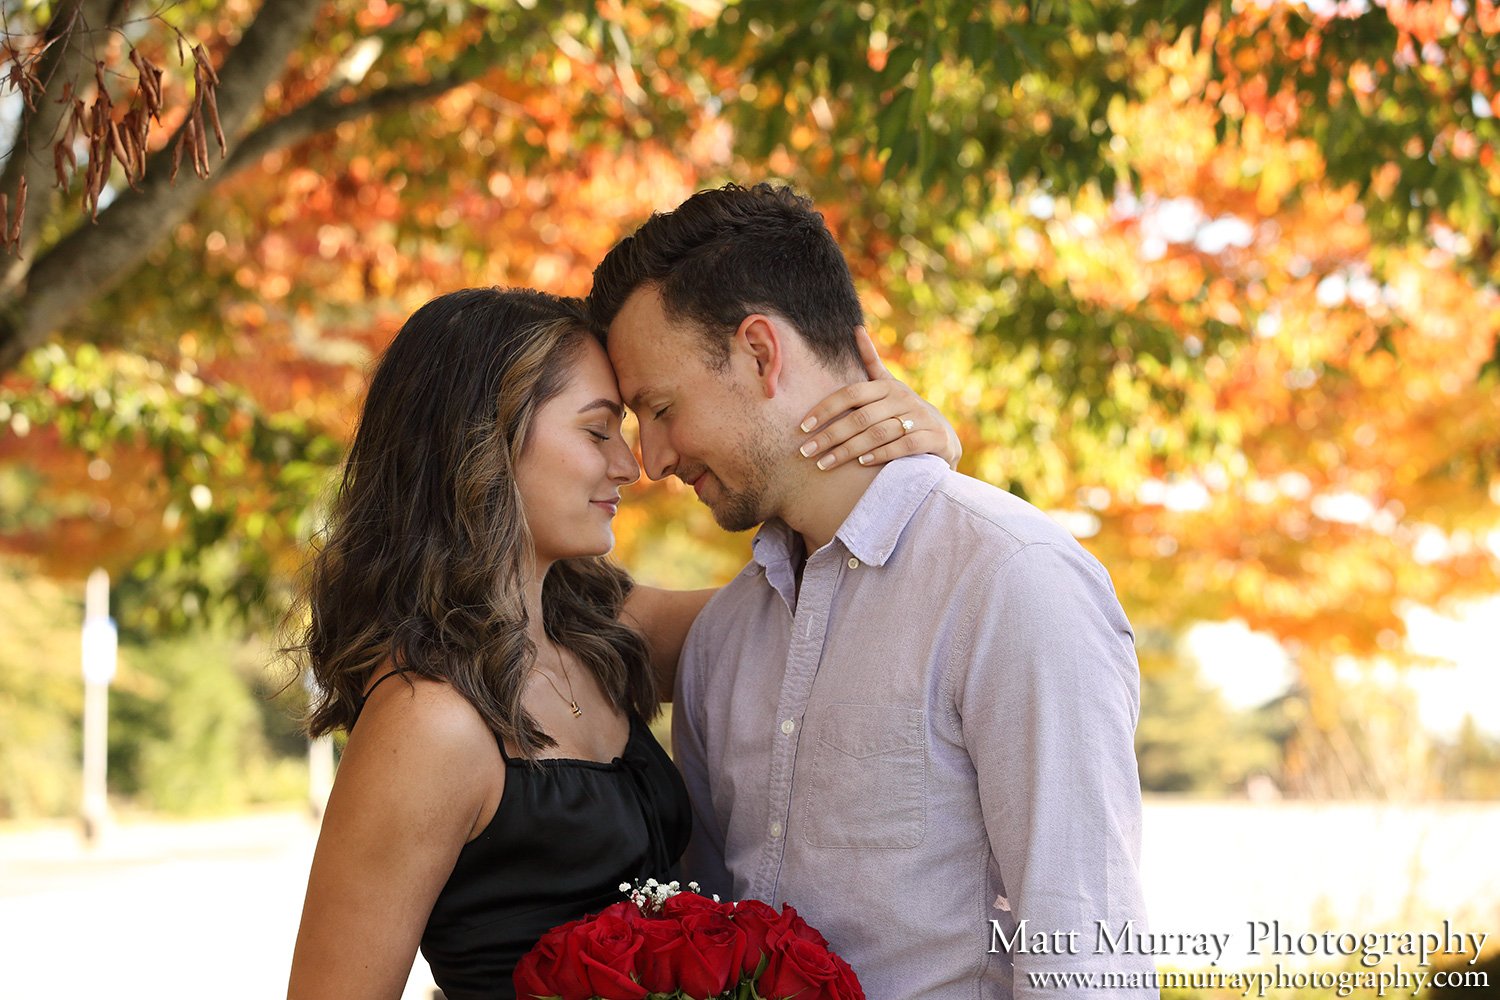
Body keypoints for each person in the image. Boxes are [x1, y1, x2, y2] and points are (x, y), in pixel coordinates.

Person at [284, 286, 960, 1000]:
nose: (631, 466)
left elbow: (831, 606)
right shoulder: (426, 722)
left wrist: (919, 464)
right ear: (485, 439)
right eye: (597, 430)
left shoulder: (603, 632)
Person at [589, 183, 1156, 999]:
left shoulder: (1009, 583)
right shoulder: (726, 639)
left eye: (662, 408)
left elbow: (1087, 961)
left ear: (760, 353)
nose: (651, 459)